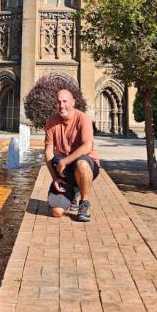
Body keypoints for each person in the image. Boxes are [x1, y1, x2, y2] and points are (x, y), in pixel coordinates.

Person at [45, 89, 100, 222]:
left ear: (73, 102)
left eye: (65, 101)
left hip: (87, 166)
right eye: (58, 102)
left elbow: (88, 146)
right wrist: (55, 178)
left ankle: (84, 203)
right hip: (66, 170)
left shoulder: (83, 118)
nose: (61, 105)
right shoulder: (51, 121)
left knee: (81, 163)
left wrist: (64, 162)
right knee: (56, 212)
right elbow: (48, 151)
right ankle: (73, 191)